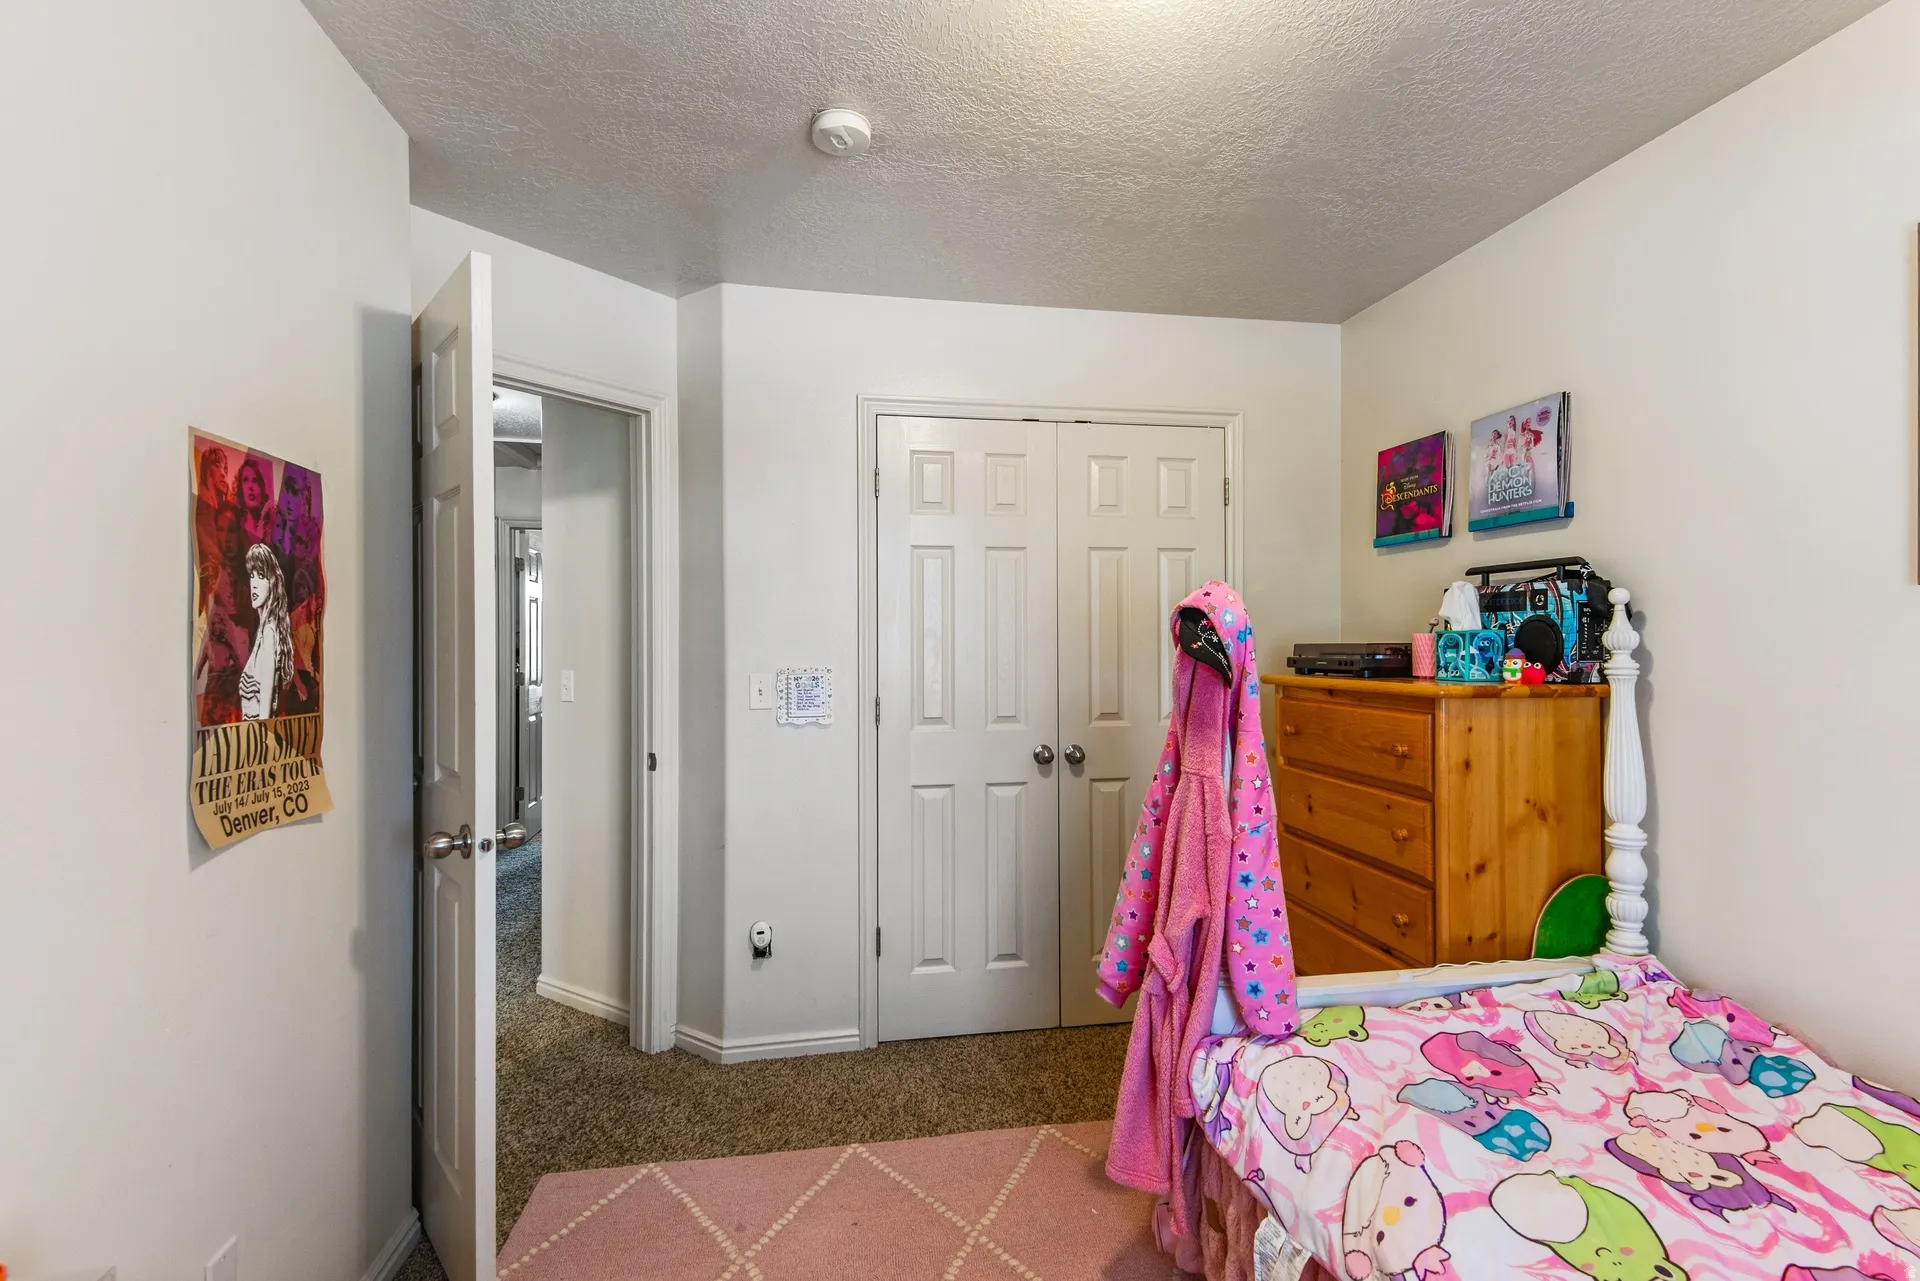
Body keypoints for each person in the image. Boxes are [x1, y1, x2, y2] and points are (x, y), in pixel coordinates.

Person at [239, 543, 293, 721]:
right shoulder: (263, 631)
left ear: (272, 582)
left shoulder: (269, 633)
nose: (254, 584)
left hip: (258, 733)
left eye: (261, 576)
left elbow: (265, 713)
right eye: (251, 575)